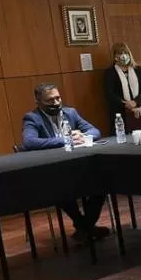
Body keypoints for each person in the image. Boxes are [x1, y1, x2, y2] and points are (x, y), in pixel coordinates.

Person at [21, 83, 110, 242]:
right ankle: (86, 226)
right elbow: (29, 142)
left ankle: (84, 226)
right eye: (50, 100)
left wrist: (83, 136)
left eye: (58, 98)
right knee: (60, 189)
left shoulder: (71, 113)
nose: (56, 103)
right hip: (52, 171)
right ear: (38, 102)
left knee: (102, 183)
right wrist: (64, 140)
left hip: (78, 166)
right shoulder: (32, 118)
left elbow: (95, 131)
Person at [103, 42, 141, 130]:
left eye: (125, 53)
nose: (123, 56)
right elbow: (109, 94)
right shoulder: (110, 73)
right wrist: (126, 104)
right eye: (120, 53)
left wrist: (136, 102)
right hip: (120, 114)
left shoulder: (139, 70)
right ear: (115, 56)